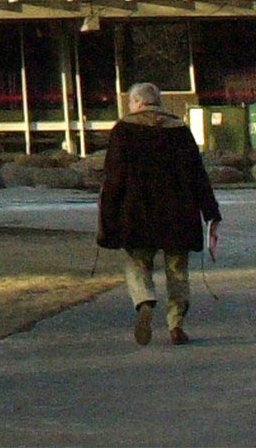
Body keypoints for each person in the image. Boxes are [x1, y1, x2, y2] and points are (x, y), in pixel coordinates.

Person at [97, 81, 222, 347]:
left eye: (130, 102)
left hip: (138, 212)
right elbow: (197, 174)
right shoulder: (179, 129)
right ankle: (176, 325)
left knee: (137, 262)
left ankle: (144, 300)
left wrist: (108, 215)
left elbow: (114, 177)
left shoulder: (124, 130)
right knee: (177, 271)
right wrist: (211, 211)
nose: (129, 107)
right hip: (179, 212)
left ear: (138, 103)